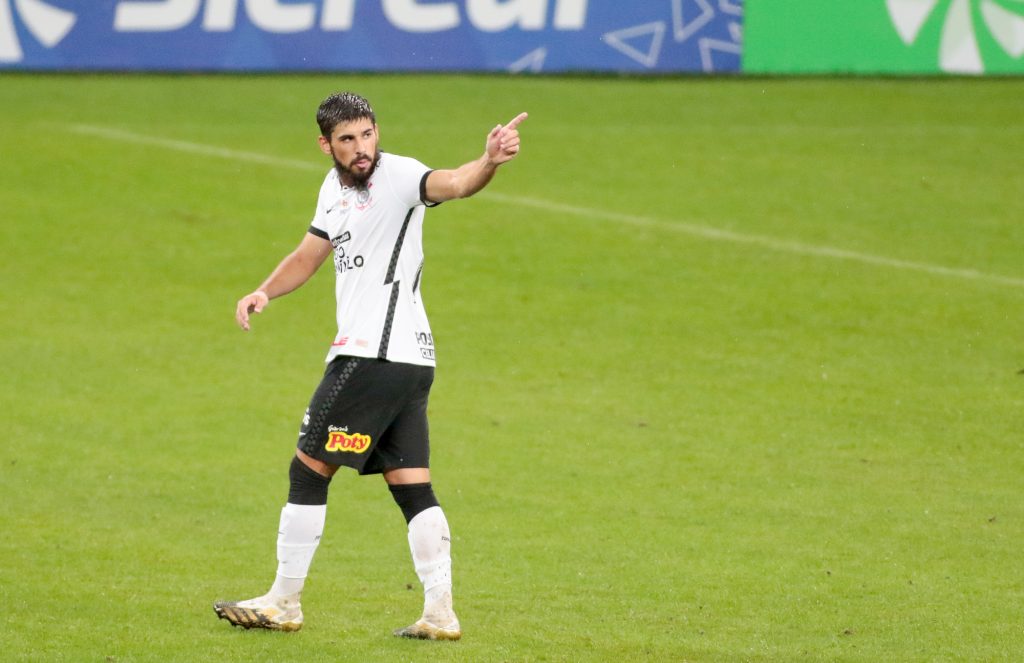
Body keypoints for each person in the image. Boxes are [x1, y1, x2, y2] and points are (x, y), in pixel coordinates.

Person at [213, 92, 526, 641]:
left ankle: (285, 601)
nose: (361, 150)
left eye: (367, 135)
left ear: (377, 131)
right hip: (409, 362)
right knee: (412, 485)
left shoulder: (402, 175)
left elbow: (455, 182)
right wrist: (265, 291)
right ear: (326, 145)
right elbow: (310, 253)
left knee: (307, 469)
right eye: (347, 140)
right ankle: (440, 613)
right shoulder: (333, 189)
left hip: (372, 355)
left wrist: (489, 163)